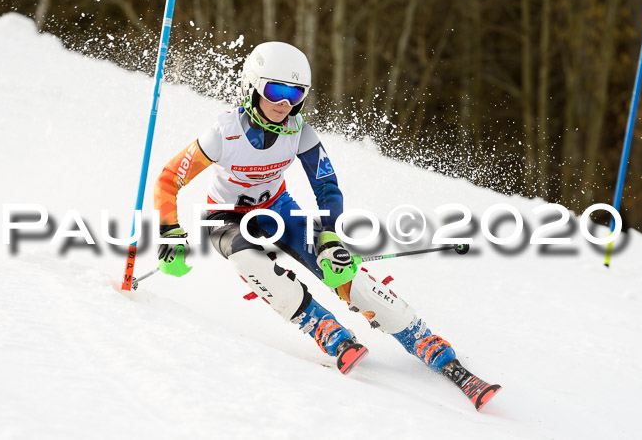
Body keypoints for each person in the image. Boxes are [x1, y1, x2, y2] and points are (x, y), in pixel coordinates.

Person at [153, 42, 500, 406]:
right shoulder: (223, 134)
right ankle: (322, 326)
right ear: (251, 86)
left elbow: (326, 187)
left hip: (278, 209)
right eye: (275, 91)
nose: (284, 104)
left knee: (338, 265)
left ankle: (421, 336)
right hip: (226, 218)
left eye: (295, 94)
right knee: (248, 261)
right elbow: (167, 180)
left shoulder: (300, 132)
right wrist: (169, 231)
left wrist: (330, 237)